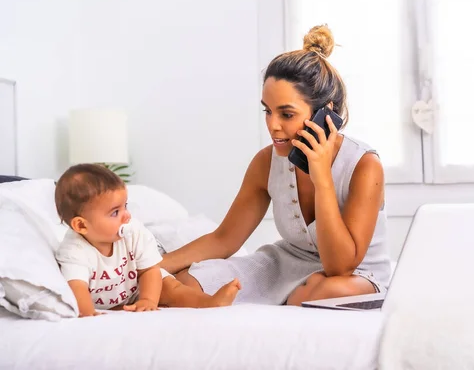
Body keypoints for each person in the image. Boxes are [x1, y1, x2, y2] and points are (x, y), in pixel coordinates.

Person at [162, 24, 391, 305]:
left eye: (287, 114)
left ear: (325, 114)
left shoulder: (365, 166)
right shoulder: (265, 162)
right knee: (184, 282)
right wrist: (155, 266)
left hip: (352, 275)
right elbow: (224, 239)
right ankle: (291, 297)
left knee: (331, 290)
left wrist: (322, 178)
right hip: (286, 264)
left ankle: (292, 297)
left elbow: (339, 267)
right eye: (268, 111)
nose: (273, 125)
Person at [54, 163, 240, 317]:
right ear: (81, 226)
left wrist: (148, 300)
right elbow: (77, 287)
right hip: (104, 302)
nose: (126, 216)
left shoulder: (133, 231)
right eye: (115, 212)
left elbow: (149, 270)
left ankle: (209, 302)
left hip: (137, 287)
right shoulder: (74, 250)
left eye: (125, 206)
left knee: (171, 287)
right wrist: (88, 314)